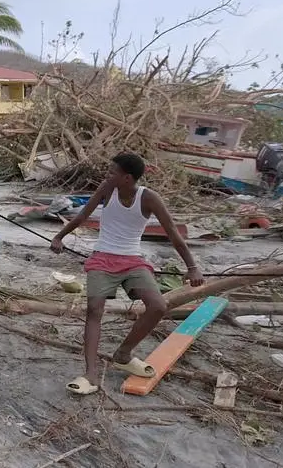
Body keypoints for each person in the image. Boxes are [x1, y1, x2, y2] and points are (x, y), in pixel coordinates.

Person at [50, 152, 204, 395]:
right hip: (102, 257)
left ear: (127, 178)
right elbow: (82, 215)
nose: (107, 175)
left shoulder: (148, 198)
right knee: (94, 309)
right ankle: (90, 373)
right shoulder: (106, 189)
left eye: (112, 172)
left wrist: (192, 267)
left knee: (158, 306)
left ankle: (123, 354)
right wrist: (59, 237)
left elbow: (173, 232)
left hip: (132, 260)